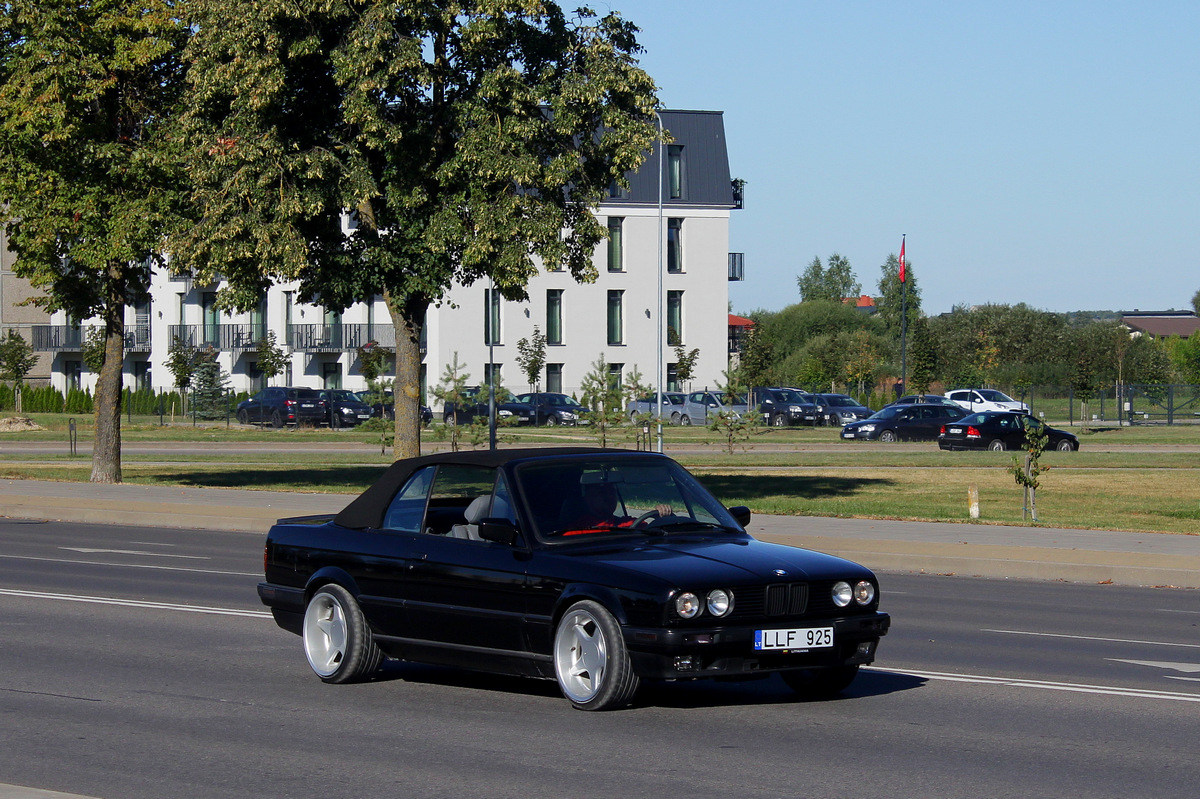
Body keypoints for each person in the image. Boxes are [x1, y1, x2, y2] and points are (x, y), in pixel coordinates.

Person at [567, 481, 671, 530]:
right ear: (588, 498)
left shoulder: (629, 523)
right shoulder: (577, 529)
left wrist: (662, 518)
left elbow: (654, 534)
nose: (608, 497)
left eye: (611, 492)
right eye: (601, 493)